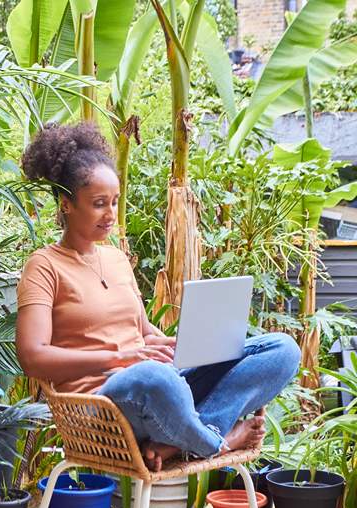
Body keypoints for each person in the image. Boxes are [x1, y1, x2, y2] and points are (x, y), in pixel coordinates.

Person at [15, 122, 301, 471]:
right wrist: (118, 356)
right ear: (66, 205)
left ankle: (172, 443)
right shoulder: (44, 266)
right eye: (99, 204)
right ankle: (219, 441)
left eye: (115, 202)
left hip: (159, 389)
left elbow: (142, 330)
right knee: (153, 377)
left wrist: (177, 345)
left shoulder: (116, 259)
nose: (110, 214)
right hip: (103, 405)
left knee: (281, 350)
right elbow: (32, 356)